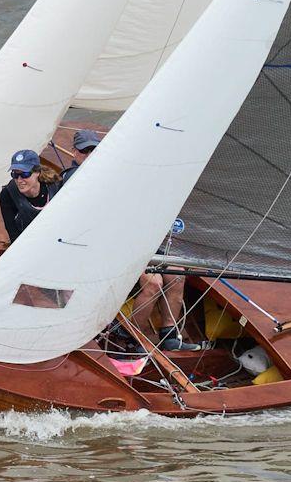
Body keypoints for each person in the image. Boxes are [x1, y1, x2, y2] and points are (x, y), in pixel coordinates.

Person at [61, 130, 198, 351]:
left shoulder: (113, 174)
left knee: (177, 273)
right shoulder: (74, 177)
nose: (90, 155)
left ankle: (169, 334)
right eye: (85, 151)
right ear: (74, 152)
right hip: (103, 246)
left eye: (94, 150)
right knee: (153, 283)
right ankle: (131, 336)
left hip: (131, 240)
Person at [0, 150, 61, 243]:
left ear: (38, 172)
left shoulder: (56, 186)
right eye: (15, 174)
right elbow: (13, 236)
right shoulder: (8, 194)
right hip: (30, 242)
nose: (19, 180)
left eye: (25, 174)